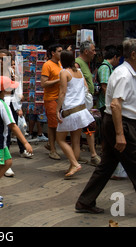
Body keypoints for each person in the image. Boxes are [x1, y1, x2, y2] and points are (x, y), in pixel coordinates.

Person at [75, 38, 136, 221]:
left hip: (122, 123)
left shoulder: (128, 73)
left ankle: (85, 201)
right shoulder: (125, 74)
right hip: (122, 124)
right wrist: (120, 134)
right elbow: (116, 105)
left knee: (106, 166)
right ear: (133, 54)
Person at [0, 76, 33, 208]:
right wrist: (25, 143)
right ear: (4, 89)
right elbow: (13, 125)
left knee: (7, 162)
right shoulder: (3, 105)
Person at [56, 50, 95, 179]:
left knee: (60, 139)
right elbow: (86, 88)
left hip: (70, 110)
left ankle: (74, 163)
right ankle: (72, 166)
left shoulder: (64, 72)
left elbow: (62, 93)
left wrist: (57, 110)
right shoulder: (79, 72)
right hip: (81, 110)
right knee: (76, 141)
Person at [75, 40, 101, 166]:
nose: (94, 53)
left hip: (85, 102)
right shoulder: (78, 64)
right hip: (82, 102)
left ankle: (77, 155)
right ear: (86, 51)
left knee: (83, 128)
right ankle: (93, 155)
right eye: (93, 50)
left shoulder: (84, 63)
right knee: (88, 127)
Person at [41, 43, 63, 160]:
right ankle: (52, 150)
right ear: (53, 53)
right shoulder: (47, 65)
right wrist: (59, 79)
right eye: (59, 51)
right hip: (50, 98)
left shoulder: (60, 64)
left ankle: (51, 144)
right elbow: (43, 83)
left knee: (57, 124)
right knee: (52, 125)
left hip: (59, 99)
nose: (61, 53)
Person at [96, 46, 121, 117]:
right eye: (118, 59)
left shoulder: (109, 67)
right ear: (115, 57)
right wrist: (110, 101)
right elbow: (104, 86)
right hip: (105, 103)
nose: (118, 62)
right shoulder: (105, 68)